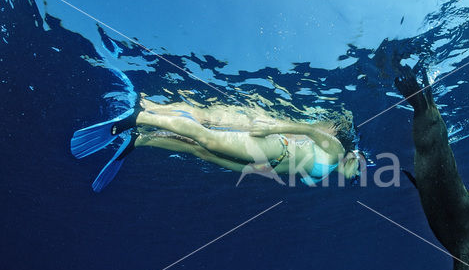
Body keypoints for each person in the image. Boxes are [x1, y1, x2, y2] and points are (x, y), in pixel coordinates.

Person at [71, 97, 362, 192]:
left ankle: (142, 140)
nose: (357, 178)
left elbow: (294, 171)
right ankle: (140, 116)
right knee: (206, 137)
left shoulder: (326, 174)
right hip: (276, 147)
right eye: (359, 171)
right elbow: (307, 129)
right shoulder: (337, 149)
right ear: (355, 156)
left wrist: (262, 171)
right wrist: (273, 128)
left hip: (264, 163)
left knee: (200, 150)